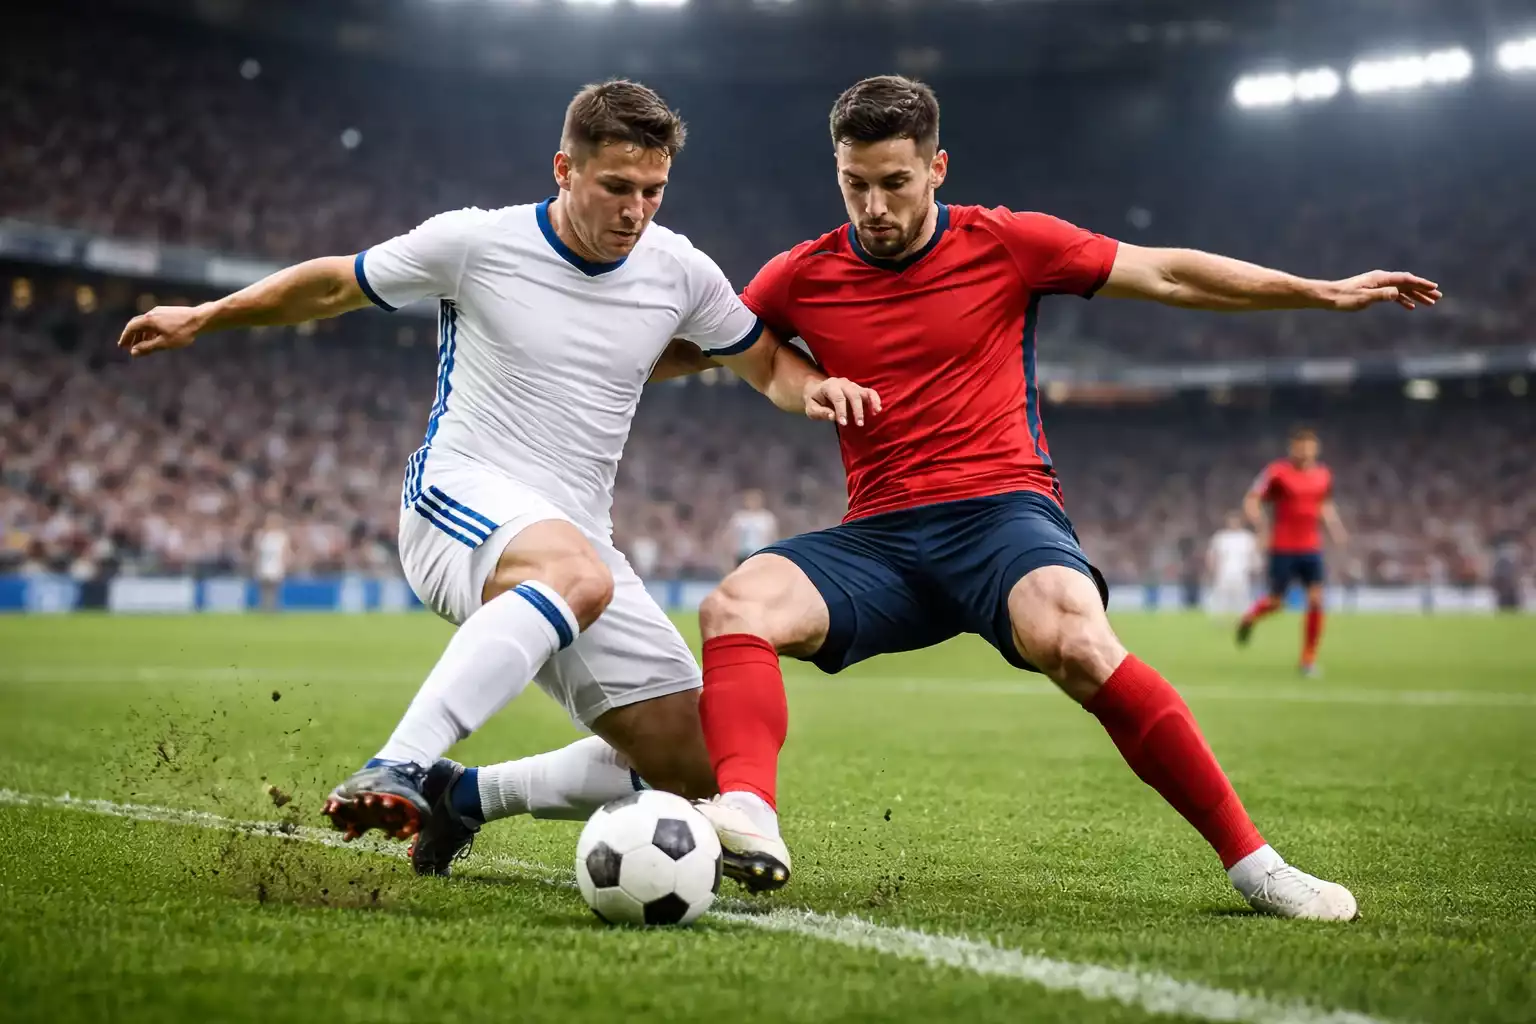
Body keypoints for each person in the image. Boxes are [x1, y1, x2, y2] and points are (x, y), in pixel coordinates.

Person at [685, 75, 1439, 917]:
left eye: (895, 182)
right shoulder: (801, 274)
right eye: (854, 183)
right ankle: (749, 815)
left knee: (1075, 638)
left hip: (1000, 516)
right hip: (881, 539)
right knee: (735, 604)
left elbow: (1168, 274)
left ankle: (1256, 865)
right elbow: (723, 347)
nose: (874, 207)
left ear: (937, 168)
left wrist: (1320, 291)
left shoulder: (1008, 243)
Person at [116, 79, 877, 873]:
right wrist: (206, 315)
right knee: (575, 574)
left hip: (578, 545)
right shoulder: (477, 243)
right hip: (456, 498)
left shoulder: (678, 269)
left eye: (653, 190)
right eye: (617, 187)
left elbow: (763, 362)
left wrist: (813, 389)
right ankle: (398, 763)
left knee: (701, 765)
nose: (636, 210)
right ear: (564, 169)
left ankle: (465, 796)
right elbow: (337, 282)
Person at [1236, 428, 1348, 675]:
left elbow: (1324, 504)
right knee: (1277, 602)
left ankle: (1308, 659)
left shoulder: (1323, 475)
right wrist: (1262, 526)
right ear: (1292, 448)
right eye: (1301, 446)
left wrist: (1335, 528)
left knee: (1316, 600)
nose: (1305, 451)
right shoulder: (1277, 472)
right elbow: (1252, 499)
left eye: (1310, 447)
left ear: (1316, 449)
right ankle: (1249, 618)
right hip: (1283, 547)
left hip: (1311, 547)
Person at [1205, 513, 1260, 617]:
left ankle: (1245, 618)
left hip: (1242, 573)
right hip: (1223, 573)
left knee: (1242, 597)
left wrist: (1255, 568)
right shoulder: (1221, 537)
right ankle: (1218, 618)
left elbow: (1253, 555)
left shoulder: (1247, 538)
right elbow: (1212, 554)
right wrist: (1211, 568)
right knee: (1220, 596)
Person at [725, 489, 779, 568]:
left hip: (761, 552)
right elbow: (732, 535)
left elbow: (772, 537)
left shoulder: (767, 517)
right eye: (750, 500)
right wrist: (732, 552)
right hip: (743, 553)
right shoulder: (739, 517)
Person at [253, 512, 290, 612]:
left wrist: (284, 565)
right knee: (264, 590)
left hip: (276, 567)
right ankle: (263, 608)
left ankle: (273, 608)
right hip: (263, 567)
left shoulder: (281, 537)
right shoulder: (261, 535)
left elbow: (285, 553)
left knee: (274, 590)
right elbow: (257, 553)